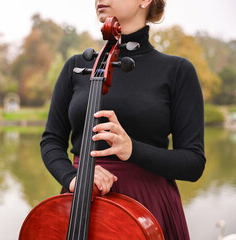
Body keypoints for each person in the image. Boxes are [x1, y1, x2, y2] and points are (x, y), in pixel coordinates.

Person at [40, 0, 206, 239]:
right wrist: (73, 177)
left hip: (146, 205)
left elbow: (193, 163)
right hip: (80, 201)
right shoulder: (77, 66)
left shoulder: (177, 70)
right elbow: (51, 141)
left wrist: (132, 149)